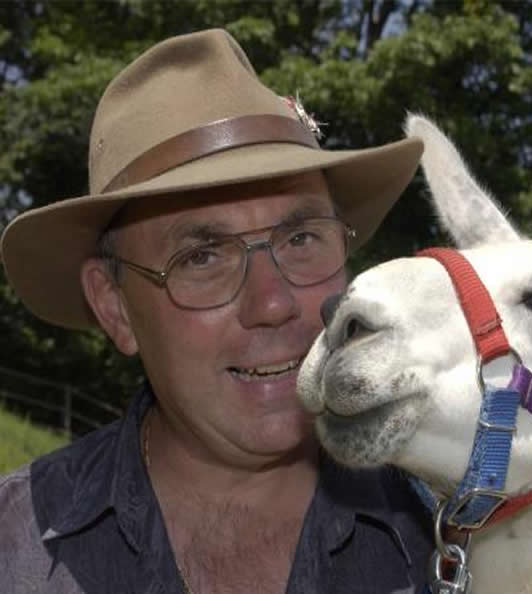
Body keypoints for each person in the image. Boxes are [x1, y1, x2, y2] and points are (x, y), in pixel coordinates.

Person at [0, 29, 432, 593]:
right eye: (201, 256)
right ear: (115, 307)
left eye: (301, 238)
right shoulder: (14, 553)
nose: (273, 302)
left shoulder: (461, 534)